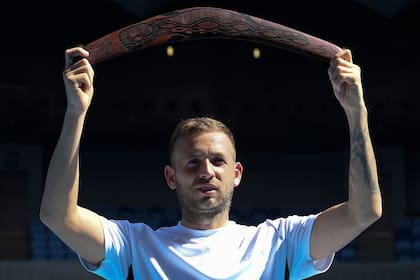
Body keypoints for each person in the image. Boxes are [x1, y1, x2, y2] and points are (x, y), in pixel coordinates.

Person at [39, 46, 382, 280]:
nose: (206, 171)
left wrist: (357, 112)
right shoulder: (134, 248)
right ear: (171, 176)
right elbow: (58, 216)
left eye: (218, 161)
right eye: (192, 162)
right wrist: (75, 112)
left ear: (236, 174)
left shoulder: (280, 244)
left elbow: (364, 212)